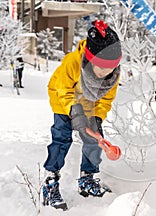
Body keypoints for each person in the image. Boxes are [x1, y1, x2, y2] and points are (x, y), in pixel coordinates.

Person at [42, 20, 122, 210]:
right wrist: (74, 111)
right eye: (101, 68)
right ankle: (51, 182)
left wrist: (97, 119)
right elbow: (63, 89)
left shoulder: (113, 75)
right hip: (64, 100)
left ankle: (87, 178)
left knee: (95, 139)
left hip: (89, 104)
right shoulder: (73, 62)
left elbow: (105, 100)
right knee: (62, 137)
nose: (106, 73)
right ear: (90, 59)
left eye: (110, 69)